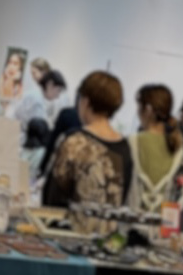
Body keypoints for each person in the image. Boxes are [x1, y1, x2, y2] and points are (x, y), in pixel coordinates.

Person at [43, 70, 132, 208]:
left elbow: (53, 196)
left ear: (85, 101)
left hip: (70, 221)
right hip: (108, 221)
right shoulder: (125, 147)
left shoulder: (74, 142)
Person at [129, 83, 183, 217]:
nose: (137, 112)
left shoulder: (132, 142)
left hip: (131, 221)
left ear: (148, 109)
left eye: (139, 106)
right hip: (163, 224)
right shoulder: (178, 147)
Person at [13, 69, 65, 139]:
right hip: (18, 136)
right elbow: (38, 128)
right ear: (50, 84)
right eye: (58, 90)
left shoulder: (36, 95)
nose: (58, 96)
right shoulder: (37, 100)